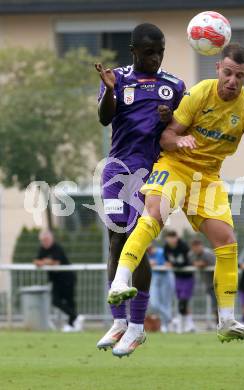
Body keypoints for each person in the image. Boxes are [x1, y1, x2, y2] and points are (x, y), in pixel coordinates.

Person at [109, 42, 244, 343]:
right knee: (154, 214)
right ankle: (119, 283)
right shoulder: (199, 93)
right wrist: (179, 141)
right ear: (218, 69)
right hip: (176, 165)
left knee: (227, 242)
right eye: (228, 73)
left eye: (239, 76)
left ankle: (226, 321)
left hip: (207, 178)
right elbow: (168, 135)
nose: (232, 81)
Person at [94, 23, 185, 356]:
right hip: (118, 171)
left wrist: (171, 116)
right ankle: (118, 322)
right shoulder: (117, 78)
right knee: (115, 240)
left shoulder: (173, 85)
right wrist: (109, 92)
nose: (156, 58)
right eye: (149, 53)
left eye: (160, 52)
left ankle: (136, 327)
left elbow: (181, 128)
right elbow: (105, 119)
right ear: (133, 51)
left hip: (154, 173)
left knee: (137, 241)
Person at [34, 230, 84, 332]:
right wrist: (45, 262)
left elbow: (55, 262)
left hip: (67, 278)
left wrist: (44, 262)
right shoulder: (42, 249)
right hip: (56, 280)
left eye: (46, 240)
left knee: (70, 301)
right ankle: (76, 317)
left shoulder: (57, 248)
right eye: (43, 240)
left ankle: (72, 324)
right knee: (55, 301)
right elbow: (36, 261)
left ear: (51, 239)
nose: (45, 242)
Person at [163, 231, 195, 333]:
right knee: (180, 301)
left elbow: (187, 262)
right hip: (177, 277)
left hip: (187, 277)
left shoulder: (184, 247)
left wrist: (173, 265)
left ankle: (184, 325)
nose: (172, 240)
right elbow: (167, 259)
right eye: (169, 237)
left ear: (177, 238)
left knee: (183, 302)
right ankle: (188, 325)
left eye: (173, 237)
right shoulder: (166, 248)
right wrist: (169, 263)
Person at [189, 237, 217, 327]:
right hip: (208, 283)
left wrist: (204, 264)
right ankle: (219, 324)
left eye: (198, 246)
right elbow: (191, 262)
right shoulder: (191, 255)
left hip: (217, 283)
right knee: (215, 306)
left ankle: (220, 324)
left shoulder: (208, 254)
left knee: (217, 306)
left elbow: (216, 265)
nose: (196, 249)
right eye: (194, 247)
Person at [148, 242, 174, 333]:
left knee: (165, 303)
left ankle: (165, 325)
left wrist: (157, 263)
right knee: (154, 303)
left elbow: (168, 263)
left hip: (165, 278)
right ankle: (170, 318)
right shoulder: (146, 255)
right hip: (154, 278)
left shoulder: (161, 252)